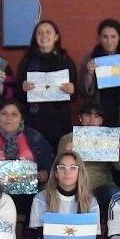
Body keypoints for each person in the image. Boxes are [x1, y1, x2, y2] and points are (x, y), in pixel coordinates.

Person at [21, 152, 109, 239]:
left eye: (73, 168)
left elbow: (94, 236)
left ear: (79, 172)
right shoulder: (41, 198)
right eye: (62, 168)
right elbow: (41, 235)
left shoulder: (90, 200)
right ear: (56, 173)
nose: (67, 172)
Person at [0, 98, 54, 217]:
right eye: (4, 113)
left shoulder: (35, 137)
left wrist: (44, 173)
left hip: (29, 194)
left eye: (14, 114)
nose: (9, 118)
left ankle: (32, 233)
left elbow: (49, 162)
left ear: (21, 118)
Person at [58, 103, 120, 217]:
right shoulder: (68, 138)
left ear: (101, 120)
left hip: (102, 185)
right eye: (88, 115)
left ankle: (114, 232)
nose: (92, 119)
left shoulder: (108, 137)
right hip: (75, 186)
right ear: (80, 118)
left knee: (114, 194)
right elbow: (57, 166)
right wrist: (65, 152)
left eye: (96, 116)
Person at [15, 20, 77, 150]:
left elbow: (75, 95)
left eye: (48, 32)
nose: (44, 36)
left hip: (59, 122)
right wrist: (23, 89)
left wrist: (72, 90)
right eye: (40, 33)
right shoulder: (27, 62)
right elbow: (18, 95)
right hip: (34, 122)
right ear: (35, 37)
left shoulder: (66, 61)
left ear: (56, 37)